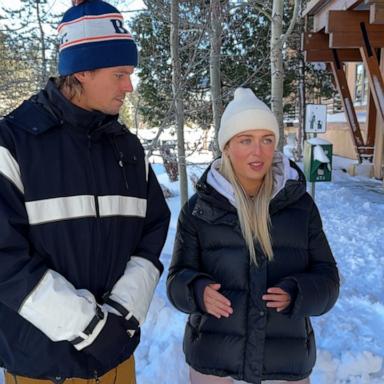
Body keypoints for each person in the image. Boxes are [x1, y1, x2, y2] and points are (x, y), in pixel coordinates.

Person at [0, 1, 170, 383]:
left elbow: (152, 232)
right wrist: (88, 326)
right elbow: (4, 260)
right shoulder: (12, 143)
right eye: (120, 74)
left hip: (115, 361)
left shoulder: (128, 149)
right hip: (41, 369)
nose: (129, 86)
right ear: (81, 72)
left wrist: (122, 314)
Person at [167, 88, 339, 384]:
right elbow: (175, 281)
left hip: (285, 364)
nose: (257, 151)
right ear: (227, 146)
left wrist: (298, 292)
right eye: (246, 140)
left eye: (266, 140)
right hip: (215, 362)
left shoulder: (301, 206)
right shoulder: (198, 211)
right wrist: (197, 291)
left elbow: (328, 280)